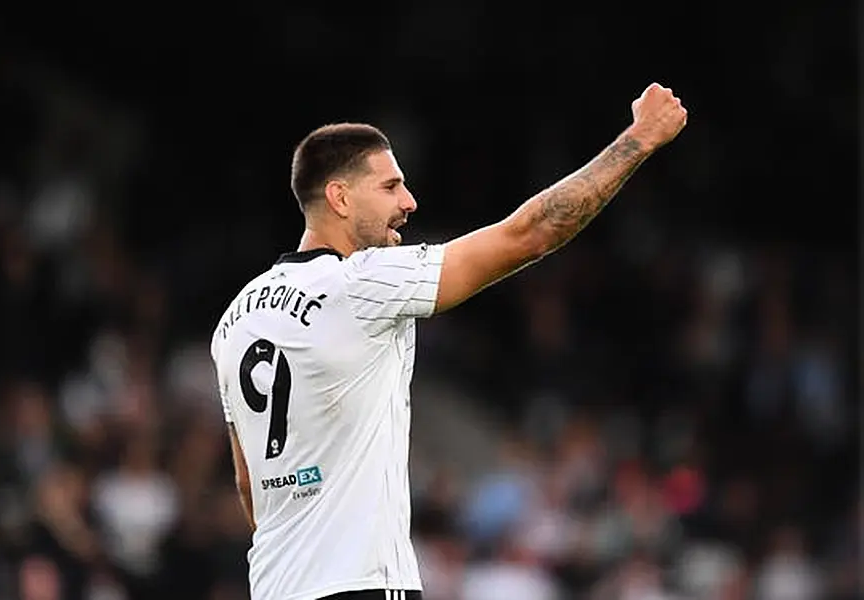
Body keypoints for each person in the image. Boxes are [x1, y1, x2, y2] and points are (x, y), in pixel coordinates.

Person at [209, 83, 687, 600]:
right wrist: (639, 140)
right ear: (339, 197)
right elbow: (529, 234)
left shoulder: (235, 321)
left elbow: (249, 484)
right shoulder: (363, 282)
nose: (409, 202)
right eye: (390, 187)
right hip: (364, 584)